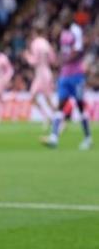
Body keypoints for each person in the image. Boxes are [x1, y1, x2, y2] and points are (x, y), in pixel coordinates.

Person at [41, 11, 92, 150]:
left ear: (70, 19)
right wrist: (59, 60)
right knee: (60, 105)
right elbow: (64, 51)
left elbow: (78, 51)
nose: (62, 21)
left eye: (64, 19)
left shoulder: (76, 31)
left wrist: (64, 61)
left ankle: (88, 138)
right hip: (65, 75)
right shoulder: (63, 33)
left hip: (76, 75)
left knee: (80, 107)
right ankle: (54, 137)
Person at [22, 26, 56, 126]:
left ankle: (57, 119)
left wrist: (27, 56)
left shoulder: (35, 43)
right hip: (46, 73)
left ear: (35, 33)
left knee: (39, 98)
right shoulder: (46, 43)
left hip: (41, 74)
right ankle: (48, 118)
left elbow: (34, 61)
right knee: (43, 98)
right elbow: (53, 59)